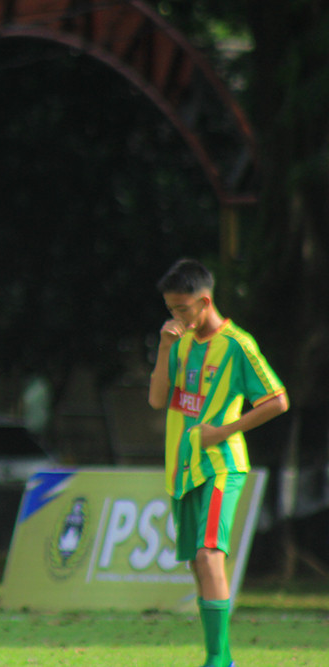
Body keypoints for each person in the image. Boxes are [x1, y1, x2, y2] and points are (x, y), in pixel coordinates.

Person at [148, 258, 289, 667]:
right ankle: (219, 656)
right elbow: (158, 400)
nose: (175, 317)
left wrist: (224, 431)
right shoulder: (181, 343)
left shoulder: (238, 344)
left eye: (181, 308)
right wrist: (163, 346)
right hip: (184, 466)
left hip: (222, 465)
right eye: (170, 309)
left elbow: (277, 399)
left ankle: (218, 659)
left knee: (210, 554)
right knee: (197, 560)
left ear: (204, 301)